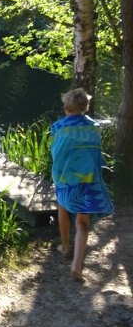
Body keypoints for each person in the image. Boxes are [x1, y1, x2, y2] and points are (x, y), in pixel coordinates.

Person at [51, 88, 114, 283]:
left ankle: (65, 247)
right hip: (89, 178)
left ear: (66, 107)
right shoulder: (94, 128)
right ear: (85, 107)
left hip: (67, 178)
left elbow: (57, 152)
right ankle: (77, 265)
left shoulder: (59, 127)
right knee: (82, 222)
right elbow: (95, 154)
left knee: (62, 207)